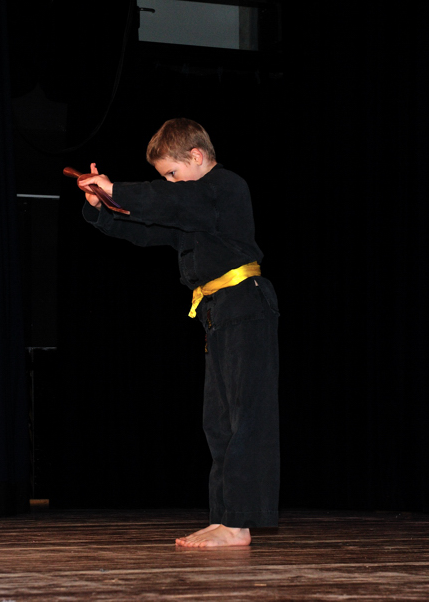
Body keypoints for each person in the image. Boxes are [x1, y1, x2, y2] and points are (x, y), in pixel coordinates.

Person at [77, 118, 279, 548]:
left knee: (247, 418)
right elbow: (147, 228)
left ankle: (239, 524)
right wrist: (101, 207)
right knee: (218, 423)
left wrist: (117, 189)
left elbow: (168, 201)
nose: (169, 183)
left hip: (245, 304)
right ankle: (224, 517)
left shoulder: (224, 188)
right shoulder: (196, 209)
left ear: (197, 156)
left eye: (172, 173)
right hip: (217, 311)